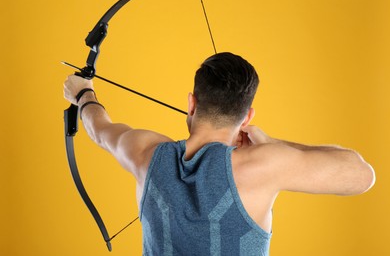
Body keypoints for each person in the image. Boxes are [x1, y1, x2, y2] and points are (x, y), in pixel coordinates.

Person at [64, 52, 375, 255]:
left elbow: (98, 128)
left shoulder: (144, 151)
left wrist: (83, 93)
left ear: (191, 103)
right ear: (247, 117)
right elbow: (362, 175)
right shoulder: (263, 164)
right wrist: (271, 143)